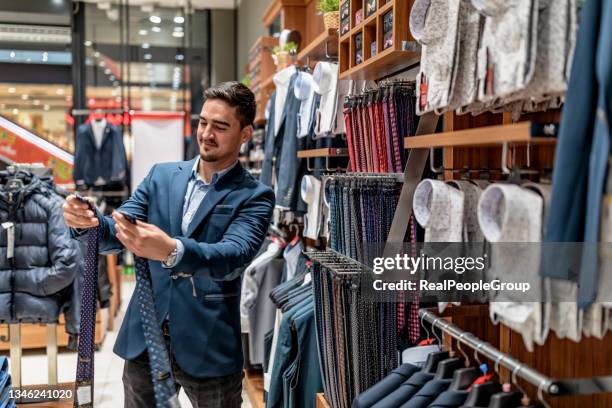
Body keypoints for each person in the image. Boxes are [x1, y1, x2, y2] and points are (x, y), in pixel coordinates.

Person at [63, 82, 275, 408]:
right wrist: (87, 221)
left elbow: (233, 255)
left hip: (209, 343)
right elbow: (119, 228)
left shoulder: (254, 195)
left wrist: (171, 250)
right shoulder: (161, 177)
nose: (206, 133)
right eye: (203, 122)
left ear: (245, 134)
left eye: (220, 127)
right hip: (146, 339)